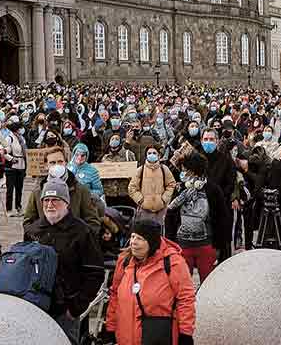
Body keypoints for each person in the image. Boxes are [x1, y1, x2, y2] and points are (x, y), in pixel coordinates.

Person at [24, 180, 105, 344]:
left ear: (66, 203)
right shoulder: (34, 231)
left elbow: (95, 273)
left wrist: (75, 308)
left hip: (66, 312)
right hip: (37, 308)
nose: (50, 205)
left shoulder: (82, 232)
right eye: (46, 200)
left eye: (55, 200)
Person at [105, 220, 197, 345]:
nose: (133, 242)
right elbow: (115, 295)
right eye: (132, 236)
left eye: (140, 238)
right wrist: (110, 327)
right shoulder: (125, 260)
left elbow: (186, 298)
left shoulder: (173, 262)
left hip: (157, 337)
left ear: (152, 243)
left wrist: (185, 334)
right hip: (125, 336)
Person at [167, 152, 230, 283]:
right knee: (182, 284)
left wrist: (220, 246)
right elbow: (170, 216)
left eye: (185, 170)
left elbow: (222, 219)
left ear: (194, 171)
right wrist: (170, 242)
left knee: (208, 283)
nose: (183, 173)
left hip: (206, 245)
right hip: (182, 245)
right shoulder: (180, 190)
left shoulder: (213, 189)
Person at [24, 146, 102, 235]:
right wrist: (42, 236)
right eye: (52, 163)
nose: (57, 165)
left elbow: (93, 223)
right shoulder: (38, 192)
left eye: (60, 162)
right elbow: (28, 223)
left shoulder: (81, 190)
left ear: (66, 163)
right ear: (46, 165)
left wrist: (79, 238)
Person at [127, 144, 176, 225]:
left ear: (158, 155)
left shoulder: (164, 169)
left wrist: (163, 199)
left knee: (160, 233)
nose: (151, 155)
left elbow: (171, 184)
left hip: (161, 210)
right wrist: (141, 200)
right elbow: (132, 188)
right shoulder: (140, 170)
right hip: (144, 210)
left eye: (154, 153)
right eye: (149, 153)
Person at [2, 117, 27, 217]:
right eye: (20, 128)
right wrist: (11, 158)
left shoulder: (22, 138)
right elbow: (3, 151)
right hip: (12, 166)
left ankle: (18, 207)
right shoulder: (9, 138)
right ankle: (8, 209)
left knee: (19, 188)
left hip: (21, 164)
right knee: (10, 188)